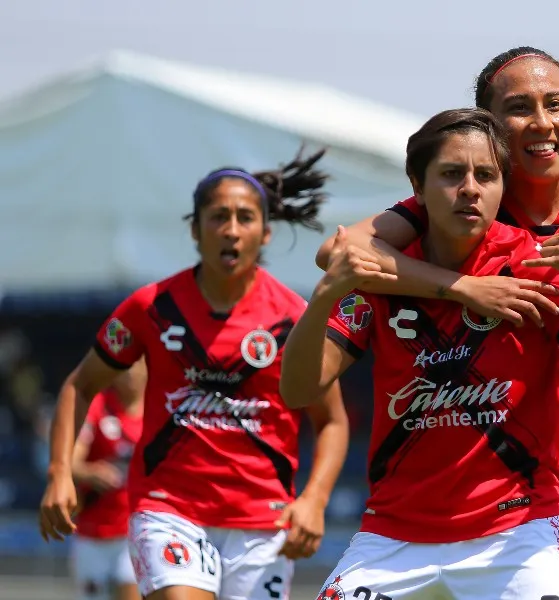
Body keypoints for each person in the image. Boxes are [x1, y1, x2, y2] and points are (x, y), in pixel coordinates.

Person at [314, 47, 559, 599]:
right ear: (489, 125)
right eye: (520, 108)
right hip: (500, 484)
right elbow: (338, 255)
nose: (542, 123)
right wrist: (464, 287)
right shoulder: (470, 191)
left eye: (556, 105)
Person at [281, 108, 559, 600]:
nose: (470, 188)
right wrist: (325, 296)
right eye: (452, 174)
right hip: (394, 534)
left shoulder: (536, 264)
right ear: (418, 186)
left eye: (487, 176)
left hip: (517, 533)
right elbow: (298, 388)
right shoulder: (378, 275)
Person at [38, 147, 351, 600]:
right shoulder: (151, 307)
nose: (231, 229)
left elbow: (333, 421)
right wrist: (59, 472)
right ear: (194, 229)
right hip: (169, 511)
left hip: (263, 523)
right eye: (218, 216)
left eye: (245, 218)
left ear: (265, 233)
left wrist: (314, 500)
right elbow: (80, 385)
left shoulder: (293, 318)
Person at [70, 360, 146, 600]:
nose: (130, 375)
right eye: (124, 370)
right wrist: (92, 472)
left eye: (136, 368)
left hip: (136, 531)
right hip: (93, 531)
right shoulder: (97, 405)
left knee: (130, 590)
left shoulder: (160, 407)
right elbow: (71, 463)